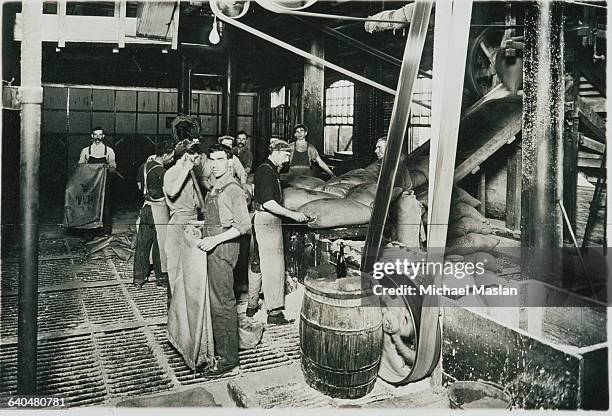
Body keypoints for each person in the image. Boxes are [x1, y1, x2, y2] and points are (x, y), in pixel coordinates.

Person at [196, 143, 251, 376]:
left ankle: (229, 360)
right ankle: (219, 349)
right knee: (216, 301)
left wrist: (214, 240)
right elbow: (219, 219)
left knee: (223, 304)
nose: (215, 164)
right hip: (213, 246)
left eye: (220, 159)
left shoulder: (233, 189)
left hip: (224, 250)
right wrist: (200, 227)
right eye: (212, 160)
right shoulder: (216, 186)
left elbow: (244, 226)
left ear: (230, 162)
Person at [249, 139, 308, 324]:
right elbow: (268, 203)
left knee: (257, 262)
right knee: (274, 266)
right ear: (275, 151)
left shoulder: (268, 169)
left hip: (259, 218)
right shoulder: (266, 171)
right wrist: (293, 215)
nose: (287, 159)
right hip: (267, 219)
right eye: (285, 155)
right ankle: (274, 312)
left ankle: (251, 306)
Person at [133, 139, 174, 288]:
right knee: (160, 245)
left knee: (143, 244)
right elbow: (170, 193)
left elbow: (139, 186)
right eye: (171, 156)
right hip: (160, 210)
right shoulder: (162, 172)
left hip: (146, 208)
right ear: (165, 154)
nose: (172, 159)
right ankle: (161, 278)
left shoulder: (143, 166)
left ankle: (138, 278)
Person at [163, 140, 202, 299]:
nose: (198, 162)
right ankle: (175, 302)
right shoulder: (172, 172)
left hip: (192, 220)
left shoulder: (190, 174)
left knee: (190, 263)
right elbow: (172, 192)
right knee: (175, 264)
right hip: (179, 221)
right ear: (187, 157)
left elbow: (196, 201)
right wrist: (186, 169)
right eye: (196, 158)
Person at [78, 126, 117, 235]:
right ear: (92, 136)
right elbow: (81, 168)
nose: (98, 137)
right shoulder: (85, 151)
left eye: (100, 135)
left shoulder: (109, 151)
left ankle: (106, 232)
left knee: (106, 206)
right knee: (89, 206)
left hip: (104, 184)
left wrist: (107, 168)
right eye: (95, 134)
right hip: (90, 185)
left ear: (103, 136)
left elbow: (113, 168)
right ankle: (89, 231)